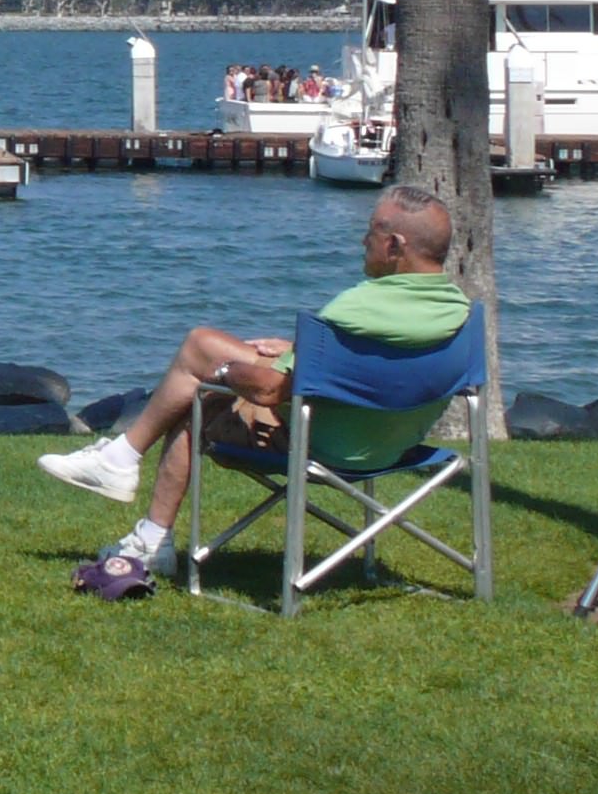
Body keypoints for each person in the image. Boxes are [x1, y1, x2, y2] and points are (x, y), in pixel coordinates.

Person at [34, 184, 473, 600]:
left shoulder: (360, 307)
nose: (363, 240)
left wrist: (224, 372)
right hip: (390, 444)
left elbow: (270, 391)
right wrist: (301, 350)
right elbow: (380, 361)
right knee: (204, 348)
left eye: (371, 232)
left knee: (197, 391)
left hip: (321, 443)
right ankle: (121, 461)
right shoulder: (458, 313)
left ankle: (145, 524)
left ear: (394, 245)